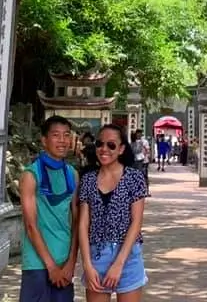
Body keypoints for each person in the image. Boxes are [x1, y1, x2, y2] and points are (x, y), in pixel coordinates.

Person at [78, 124, 148, 301]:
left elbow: (136, 222)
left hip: (128, 256)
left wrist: (119, 263)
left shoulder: (134, 177)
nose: (104, 149)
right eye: (100, 144)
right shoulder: (87, 179)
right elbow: (83, 224)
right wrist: (87, 264)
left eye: (111, 145)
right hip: (96, 256)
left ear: (122, 149)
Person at [19, 115, 79, 302]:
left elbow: (77, 222)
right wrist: (51, 266)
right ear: (44, 140)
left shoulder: (72, 174)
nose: (62, 141)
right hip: (37, 264)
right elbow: (31, 225)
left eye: (66, 135)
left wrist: (71, 263)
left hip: (64, 263)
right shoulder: (30, 175)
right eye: (56, 135)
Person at [131, 130, 150, 194]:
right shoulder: (132, 142)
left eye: (140, 134)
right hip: (135, 161)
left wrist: (145, 157)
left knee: (144, 176)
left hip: (144, 161)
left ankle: (146, 191)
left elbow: (147, 150)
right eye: (137, 134)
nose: (138, 135)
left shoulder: (144, 142)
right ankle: (137, 190)